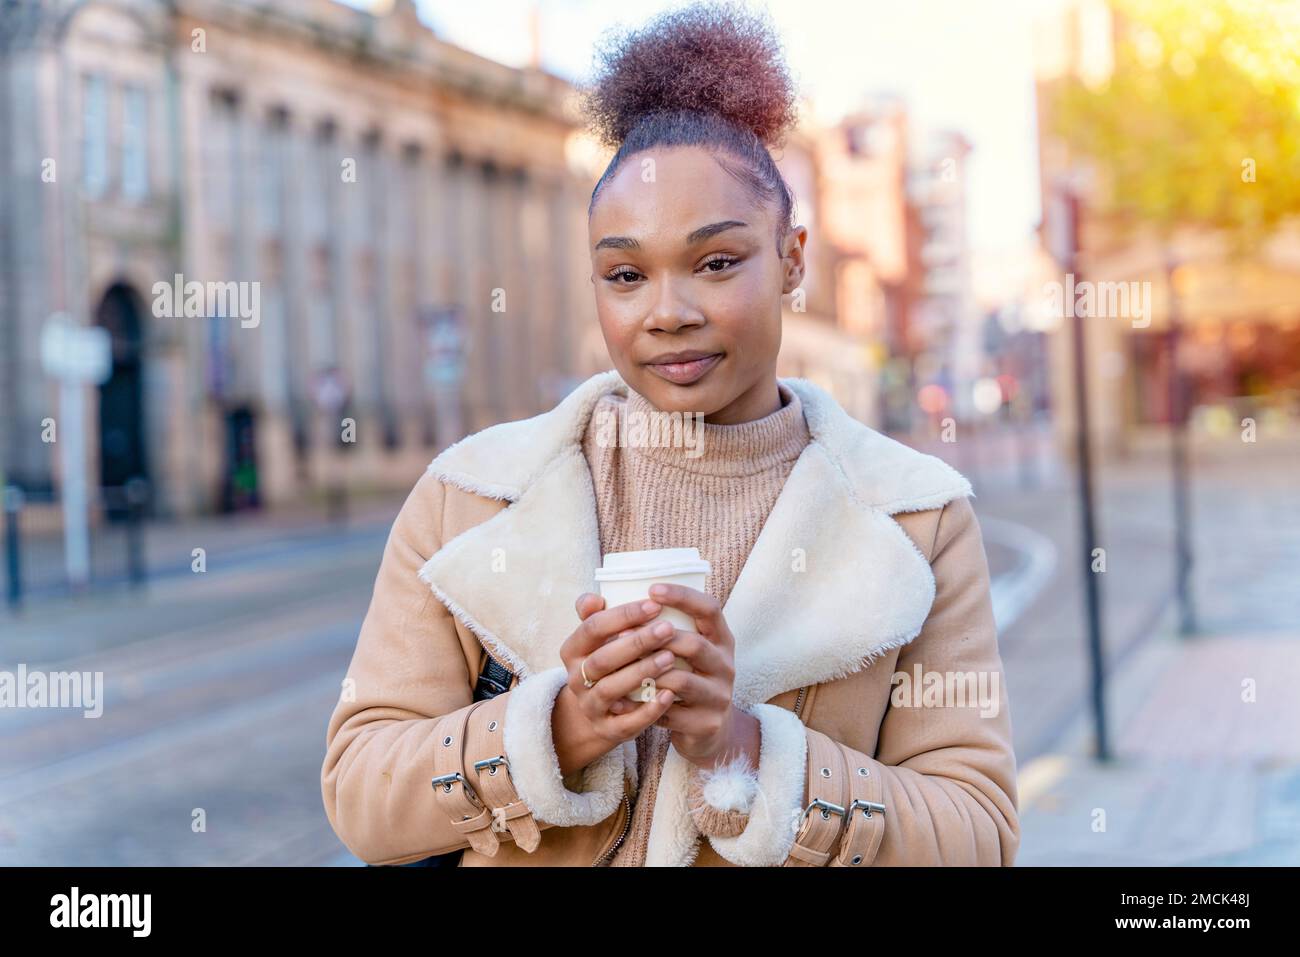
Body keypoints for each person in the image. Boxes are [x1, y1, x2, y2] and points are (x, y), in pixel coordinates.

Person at [321, 1, 1019, 867]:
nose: (668, 312)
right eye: (625, 274)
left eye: (717, 262)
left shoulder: (917, 519)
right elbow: (360, 789)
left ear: (793, 258)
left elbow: (978, 834)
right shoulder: (469, 496)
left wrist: (743, 749)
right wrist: (557, 728)